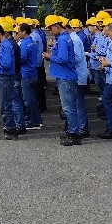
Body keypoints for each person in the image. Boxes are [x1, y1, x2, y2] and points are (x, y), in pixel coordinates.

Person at [43, 16, 82, 146]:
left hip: (66, 77)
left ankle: (73, 133)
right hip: (65, 76)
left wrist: (50, 56)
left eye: (50, 28)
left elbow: (63, 59)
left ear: (57, 26)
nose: (50, 31)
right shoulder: (63, 39)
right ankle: (73, 131)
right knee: (70, 106)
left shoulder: (64, 40)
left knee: (68, 107)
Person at [0, 19, 24, 140]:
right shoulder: (4, 45)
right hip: (3, 77)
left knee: (5, 105)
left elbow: (7, 64)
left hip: (5, 77)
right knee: (6, 104)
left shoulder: (6, 45)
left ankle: (11, 129)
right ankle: (10, 128)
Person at [17, 22, 42, 130]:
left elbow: (22, 58)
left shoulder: (24, 43)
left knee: (27, 99)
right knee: (33, 98)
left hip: (25, 73)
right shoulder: (32, 42)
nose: (17, 34)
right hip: (33, 72)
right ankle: (36, 119)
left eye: (19, 31)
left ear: (24, 31)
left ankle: (32, 121)